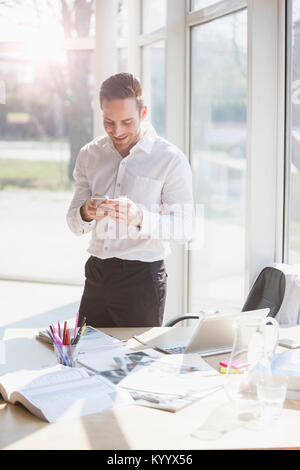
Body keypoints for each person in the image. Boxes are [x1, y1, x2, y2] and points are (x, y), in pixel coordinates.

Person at [67, 73, 194, 327]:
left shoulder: (169, 159)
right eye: (109, 122)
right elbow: (73, 222)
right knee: (83, 357)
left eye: (127, 122)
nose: (118, 131)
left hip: (142, 279)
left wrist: (139, 217)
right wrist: (86, 213)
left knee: (136, 363)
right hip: (97, 273)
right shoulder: (89, 155)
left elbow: (185, 228)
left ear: (143, 111)